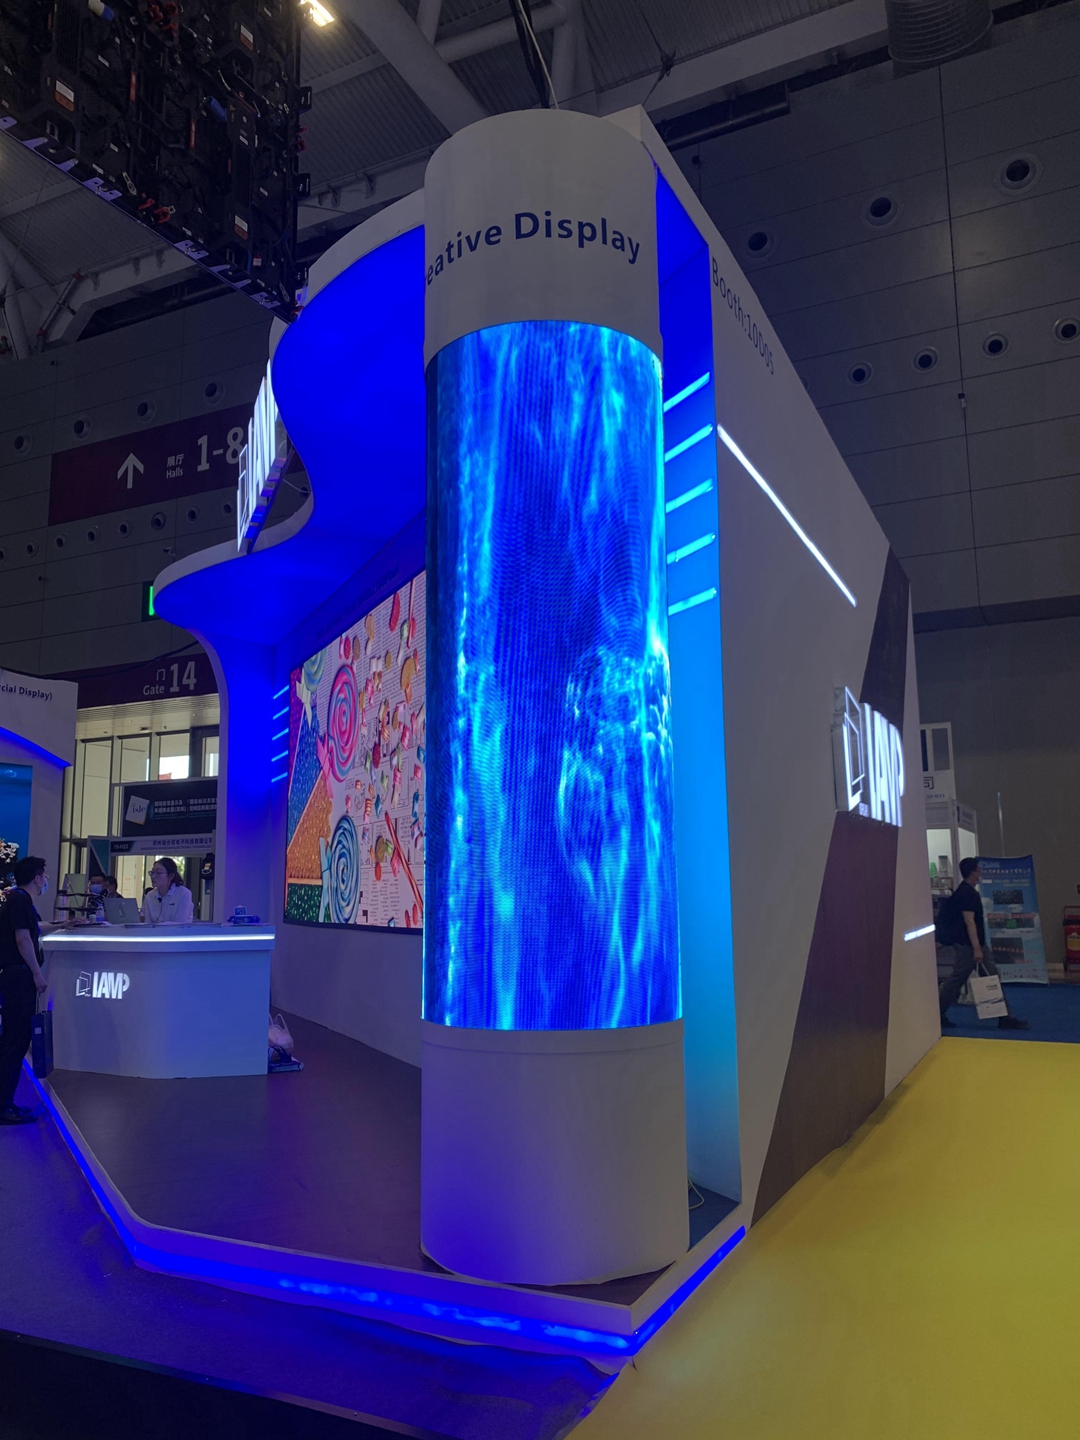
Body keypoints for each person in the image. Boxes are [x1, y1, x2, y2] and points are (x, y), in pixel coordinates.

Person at [0, 857, 67, 1125]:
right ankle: (4, 1106)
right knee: (15, 1042)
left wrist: (62, 925)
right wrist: (37, 974)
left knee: (13, 1041)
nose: (46, 880)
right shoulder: (19, 901)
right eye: (44, 875)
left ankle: (6, 1103)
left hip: (15, 977)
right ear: (37, 878)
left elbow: (32, 930)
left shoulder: (18, 900)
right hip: (19, 978)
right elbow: (23, 938)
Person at [937, 857, 1028, 1031]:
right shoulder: (968, 894)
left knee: (966, 978)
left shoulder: (963, 892)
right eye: (978, 870)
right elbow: (969, 922)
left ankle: (1004, 1016)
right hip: (970, 946)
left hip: (968, 944)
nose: (980, 873)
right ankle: (1003, 1017)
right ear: (973, 872)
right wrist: (977, 948)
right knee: (967, 978)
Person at [140, 857, 194, 926]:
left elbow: (180, 924)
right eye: (152, 872)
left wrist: (156, 926)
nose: (153, 876)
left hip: (177, 932)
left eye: (158, 873)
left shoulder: (184, 893)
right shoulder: (150, 896)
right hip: (154, 933)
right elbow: (147, 923)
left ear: (171, 876)